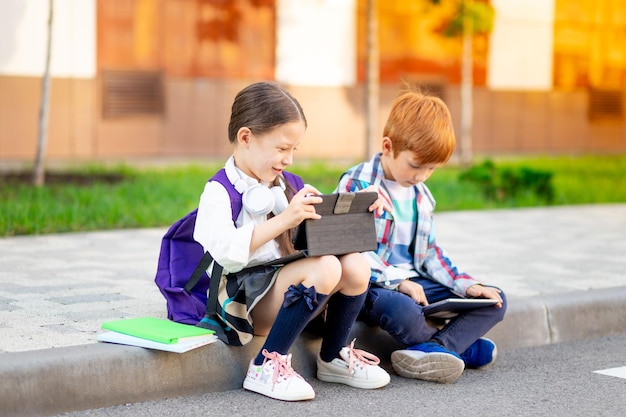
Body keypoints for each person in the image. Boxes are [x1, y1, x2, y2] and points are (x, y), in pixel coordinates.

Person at [192, 81, 390, 401]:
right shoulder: (218, 191)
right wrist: (286, 218)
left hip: (279, 286)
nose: (289, 160)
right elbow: (227, 255)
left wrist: (356, 208)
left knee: (355, 265)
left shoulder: (287, 185)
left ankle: (332, 356)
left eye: (293, 150)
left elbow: (316, 240)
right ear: (246, 137)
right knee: (324, 268)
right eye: (282, 148)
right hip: (242, 300)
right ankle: (265, 366)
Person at [336, 85, 507, 384]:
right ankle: (460, 349)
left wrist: (466, 285)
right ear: (388, 147)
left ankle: (438, 349)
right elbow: (349, 248)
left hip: (416, 281)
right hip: (376, 286)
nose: (422, 176)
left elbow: (429, 254)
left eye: (431, 169)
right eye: (416, 165)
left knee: (496, 300)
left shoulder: (421, 195)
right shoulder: (357, 182)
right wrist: (398, 281)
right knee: (402, 309)